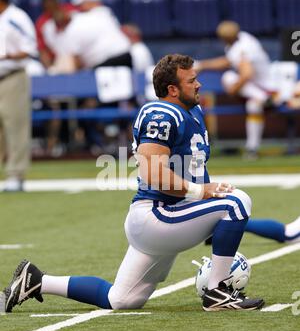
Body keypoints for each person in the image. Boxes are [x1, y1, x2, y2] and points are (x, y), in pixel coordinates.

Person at [3, 54, 264, 313]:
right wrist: (201, 191)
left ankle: (36, 280)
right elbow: (153, 174)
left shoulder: (191, 111)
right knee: (237, 202)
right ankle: (217, 290)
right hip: (158, 215)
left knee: (122, 299)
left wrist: (204, 191)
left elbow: (191, 167)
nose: (198, 85)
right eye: (191, 81)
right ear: (172, 89)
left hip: (173, 214)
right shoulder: (160, 113)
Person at [195, 21, 277, 159]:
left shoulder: (241, 48)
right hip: (263, 86)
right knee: (253, 106)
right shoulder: (244, 37)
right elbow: (229, 60)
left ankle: (263, 98)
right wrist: (203, 65)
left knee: (228, 77)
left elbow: (247, 73)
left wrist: (233, 89)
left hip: (264, 87)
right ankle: (252, 149)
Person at [0, 0, 38, 192]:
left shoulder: (17, 18)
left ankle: (15, 174)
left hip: (11, 76)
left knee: (15, 126)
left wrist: (7, 56)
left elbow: (30, 48)